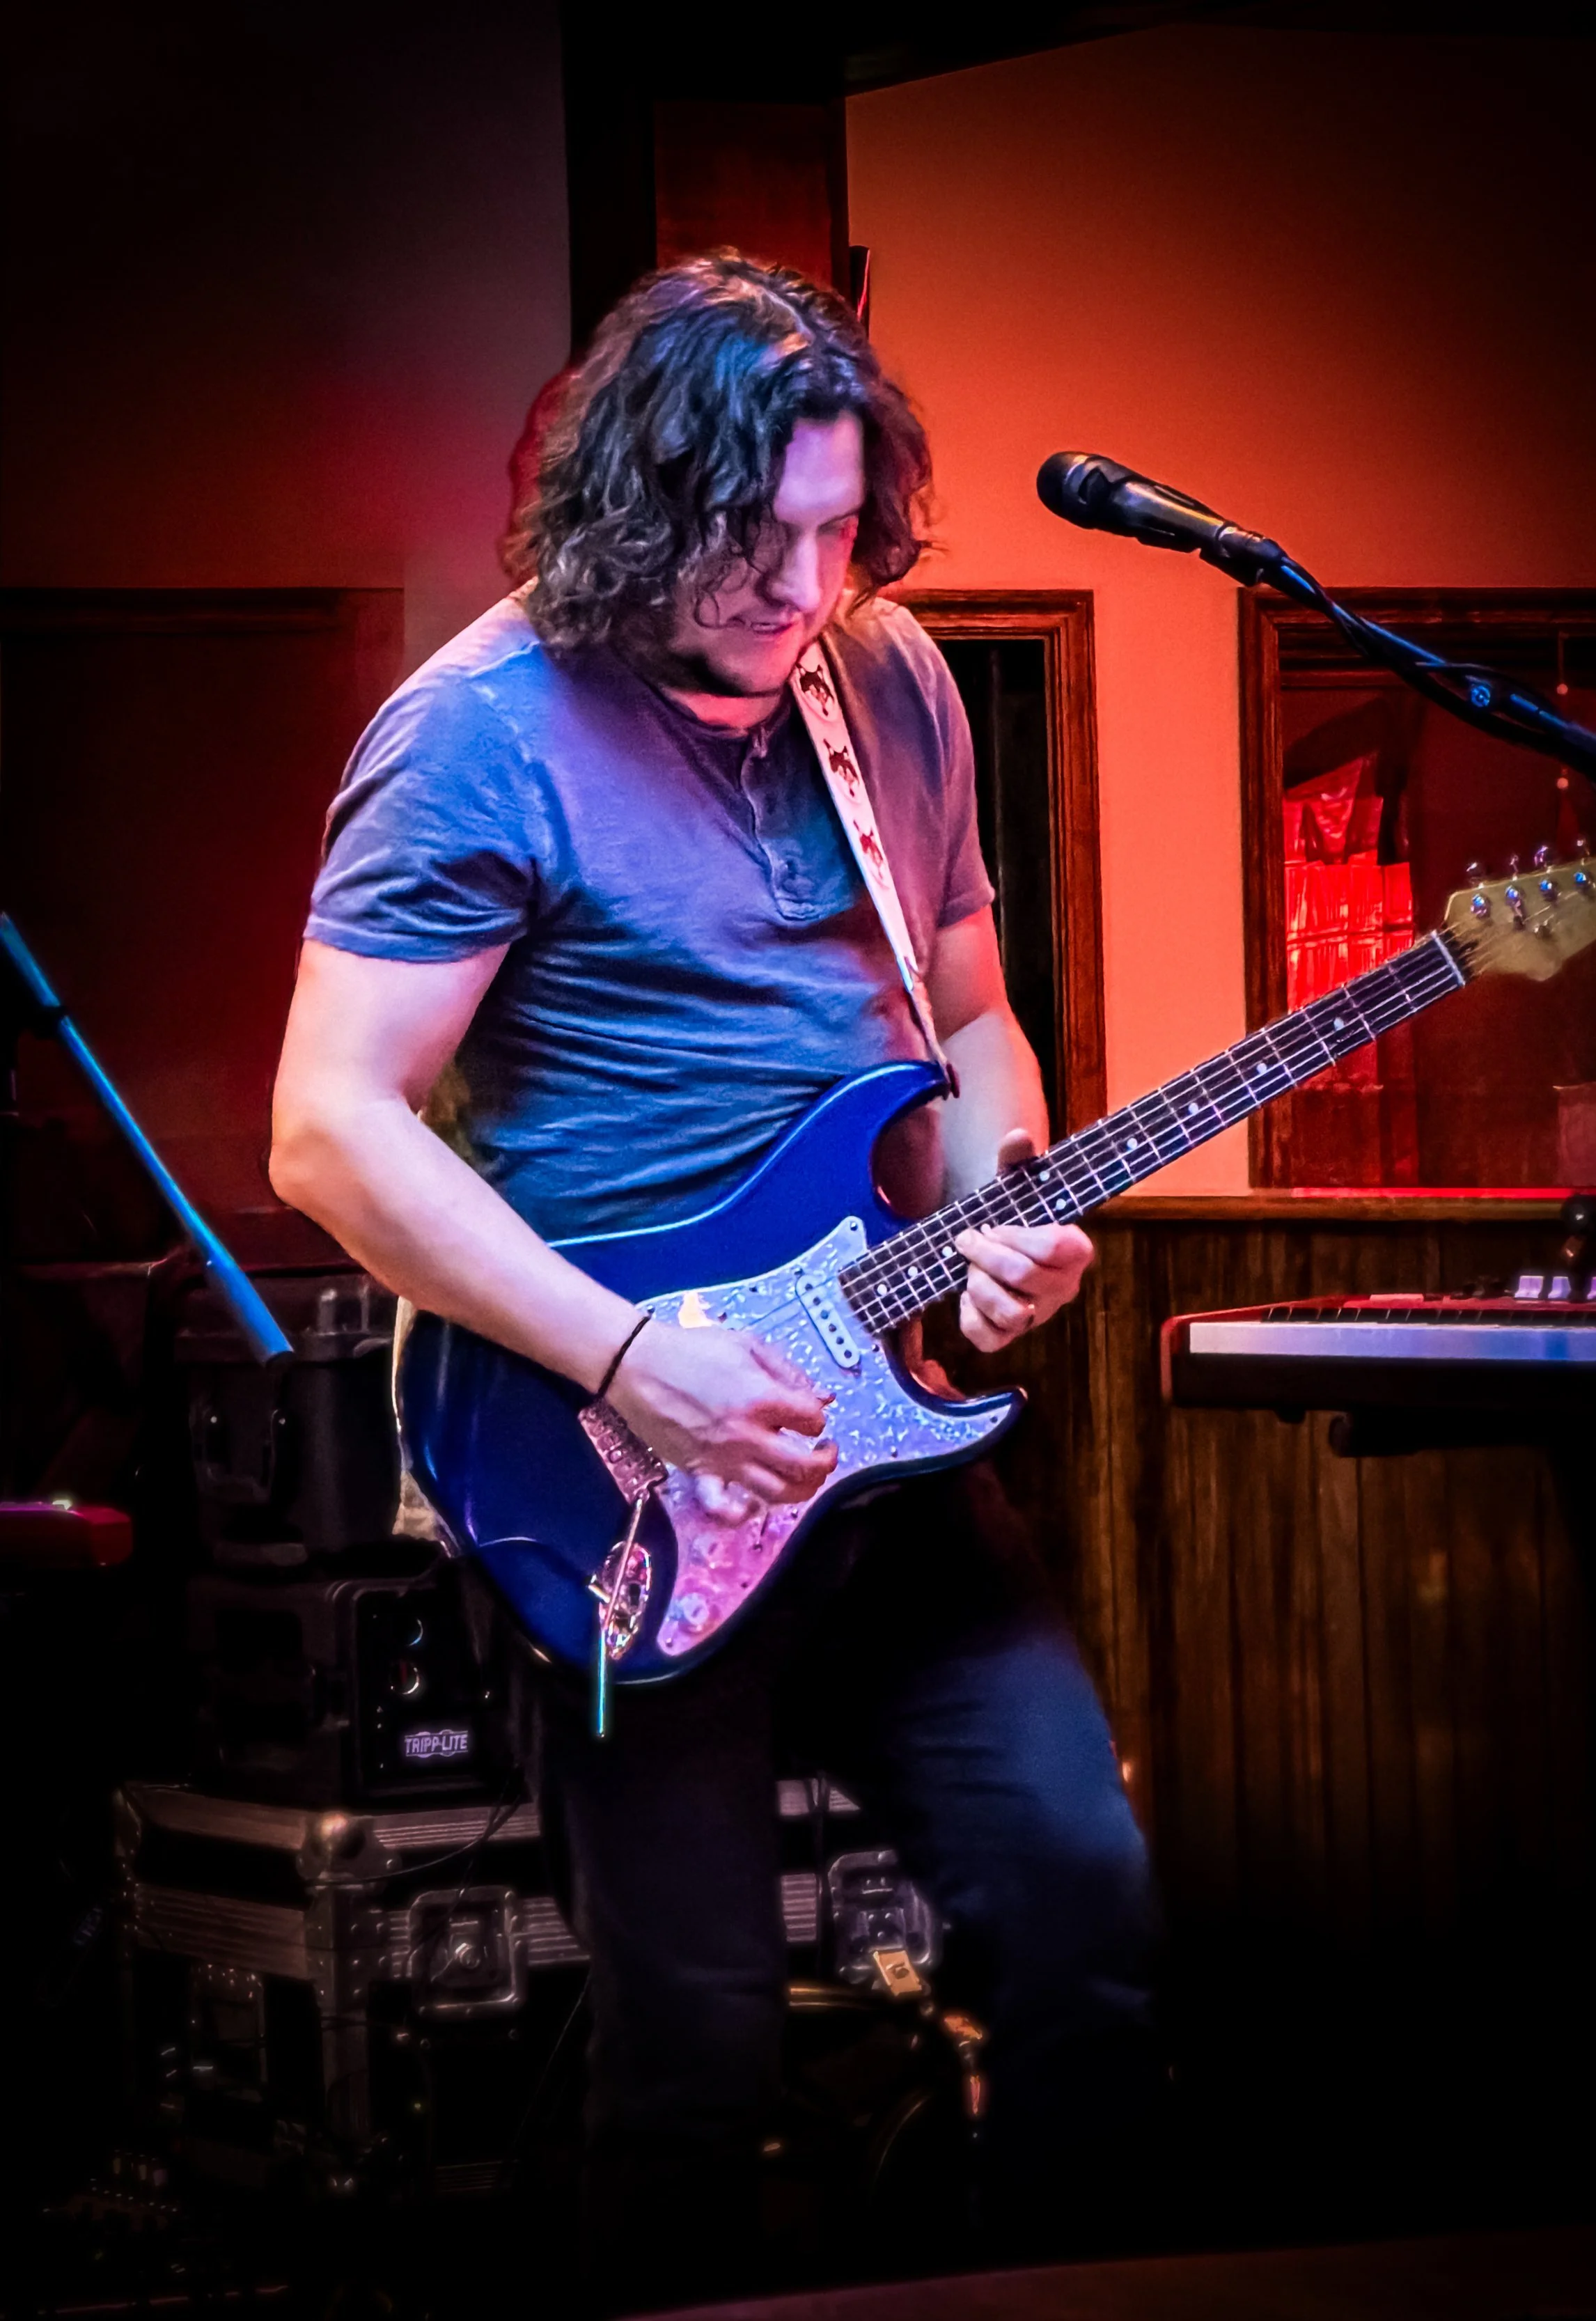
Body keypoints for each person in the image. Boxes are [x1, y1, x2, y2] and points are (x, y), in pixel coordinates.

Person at [270, 253, 1161, 2306]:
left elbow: (970, 1017)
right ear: (629, 509)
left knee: (1080, 1908)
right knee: (697, 2053)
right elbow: (327, 1128)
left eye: (843, 530)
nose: (799, 581)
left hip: (877, 1428)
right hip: (607, 1463)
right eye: (749, 537)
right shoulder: (475, 734)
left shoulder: (894, 681)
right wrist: (625, 1348)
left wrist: (999, 1199)